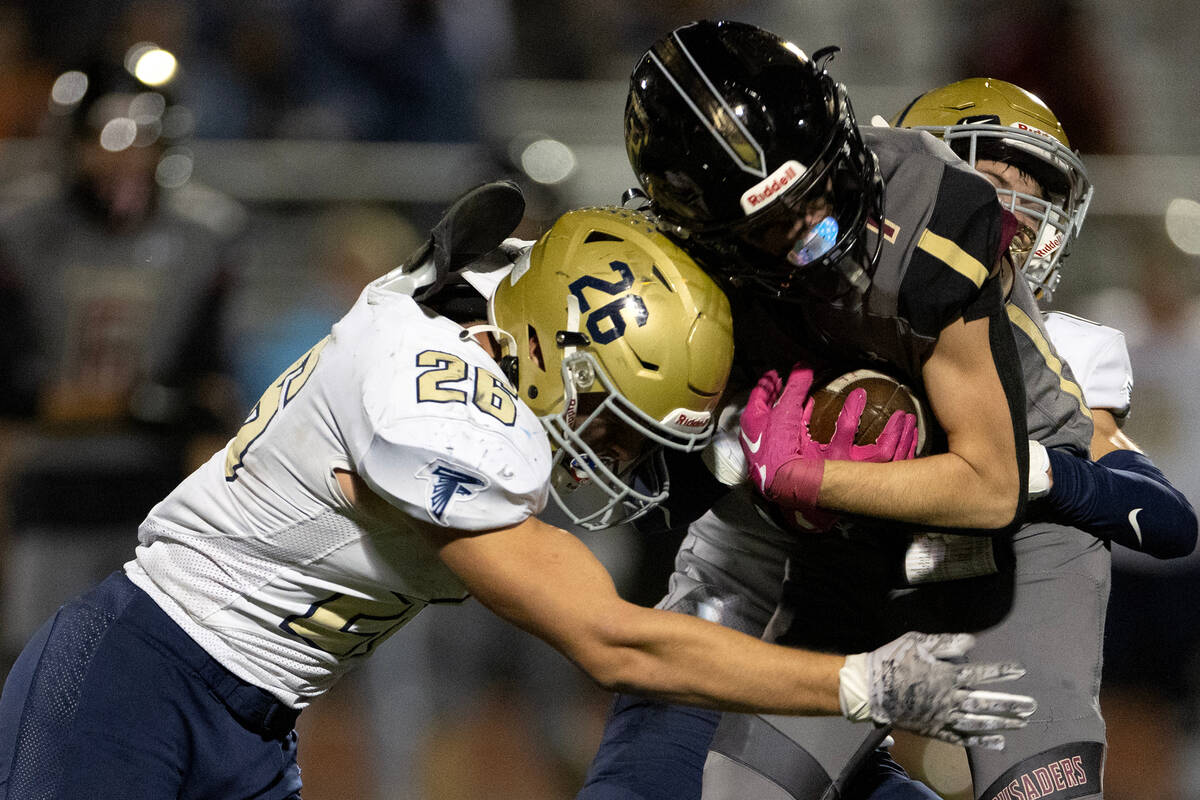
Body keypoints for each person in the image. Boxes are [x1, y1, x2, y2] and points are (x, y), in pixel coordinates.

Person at [0, 184, 1035, 800]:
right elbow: (616, 642)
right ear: (544, 355)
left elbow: (575, 254)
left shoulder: (503, 295)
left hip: (258, 712)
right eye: (606, 423)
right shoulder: (433, 413)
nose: (614, 460)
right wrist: (857, 682)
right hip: (136, 673)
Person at [580, 21, 1193, 800]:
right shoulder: (698, 274)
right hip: (827, 560)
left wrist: (813, 474)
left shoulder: (946, 227)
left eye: (1037, 199)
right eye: (776, 226)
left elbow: (1010, 486)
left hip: (1006, 552)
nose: (817, 233)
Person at [0, 55, 244, 670]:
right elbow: (17, 396)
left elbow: (209, 395)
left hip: (157, 503)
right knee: (37, 683)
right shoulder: (23, 236)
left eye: (139, 139)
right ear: (72, 144)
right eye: (107, 139)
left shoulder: (201, 238)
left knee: (148, 685)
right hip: (48, 492)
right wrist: (141, 405)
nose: (125, 157)